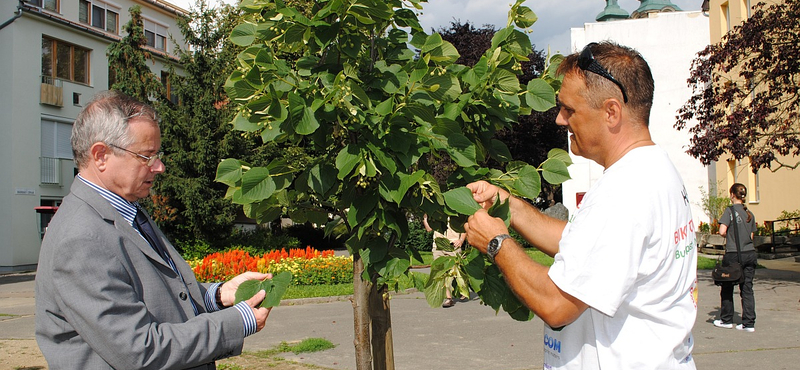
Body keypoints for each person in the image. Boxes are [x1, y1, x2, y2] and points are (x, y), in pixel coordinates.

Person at [463, 41, 698, 369]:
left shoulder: (624, 191)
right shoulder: (654, 169)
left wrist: (496, 242)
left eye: (569, 109)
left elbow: (556, 303)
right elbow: (586, 246)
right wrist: (509, 205)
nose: (560, 119)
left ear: (611, 112)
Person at [35, 90, 271, 369]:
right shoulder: (81, 238)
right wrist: (236, 321)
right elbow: (139, 350)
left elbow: (159, 298)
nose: (159, 166)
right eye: (146, 156)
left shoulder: (126, 211)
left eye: (157, 155)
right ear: (100, 155)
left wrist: (216, 296)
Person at [713, 183, 757, 332]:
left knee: (727, 285)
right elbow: (751, 236)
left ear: (732, 194)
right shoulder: (750, 213)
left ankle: (726, 319)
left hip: (733, 254)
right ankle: (748, 323)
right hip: (749, 254)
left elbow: (722, 231)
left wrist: (730, 234)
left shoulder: (729, 211)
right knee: (747, 288)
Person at [423, 214, 467, 307]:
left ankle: (463, 289)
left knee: (456, 270)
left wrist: (461, 240)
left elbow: (465, 227)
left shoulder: (455, 214)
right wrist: (425, 218)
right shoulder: (435, 214)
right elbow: (428, 229)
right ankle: (449, 298)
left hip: (453, 245)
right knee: (441, 273)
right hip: (438, 246)